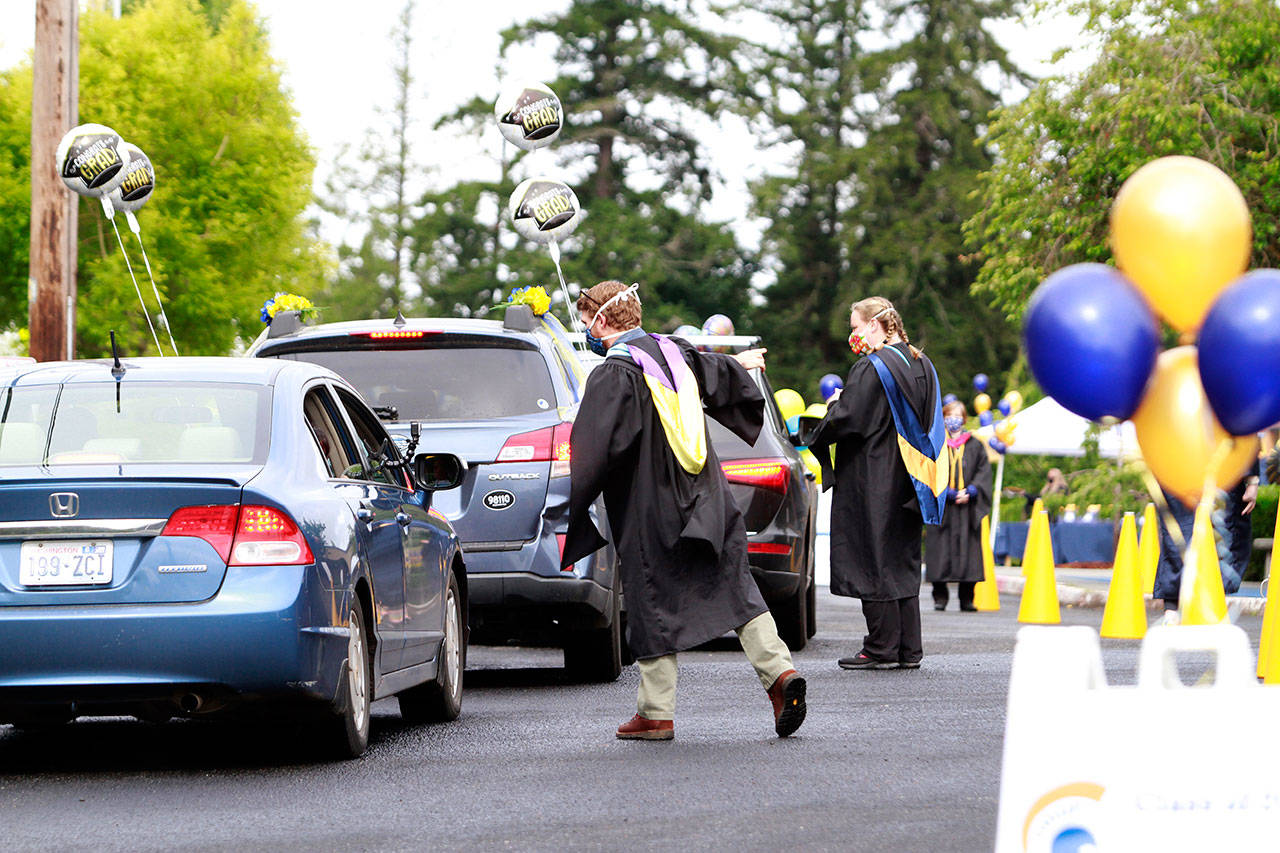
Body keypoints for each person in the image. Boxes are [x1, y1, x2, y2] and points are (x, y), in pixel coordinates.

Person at [561, 280, 807, 740]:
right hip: (707, 494)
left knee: (651, 595)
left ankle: (656, 713)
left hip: (650, 504)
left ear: (603, 319)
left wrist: (569, 499)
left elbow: (594, 449)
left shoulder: (614, 374)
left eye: (586, 318)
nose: (586, 328)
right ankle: (780, 676)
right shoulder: (673, 352)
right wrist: (741, 363)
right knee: (733, 584)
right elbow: (718, 372)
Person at [808, 296, 946, 670]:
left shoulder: (873, 367)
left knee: (875, 557)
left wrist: (829, 412)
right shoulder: (922, 364)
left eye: (855, 326)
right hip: (914, 478)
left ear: (873, 325)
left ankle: (881, 647)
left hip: (875, 477)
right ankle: (908, 649)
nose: (853, 334)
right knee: (901, 559)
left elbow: (850, 418)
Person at [1152, 472, 1258, 624]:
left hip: (1177, 464)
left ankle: (1173, 609)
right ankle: (1193, 607)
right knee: (1220, 533)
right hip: (1216, 465)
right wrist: (1252, 481)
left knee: (1179, 533)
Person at [924, 400, 992, 611]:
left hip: (968, 508)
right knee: (939, 551)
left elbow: (983, 471)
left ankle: (967, 599)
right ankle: (940, 597)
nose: (953, 419)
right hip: (943, 506)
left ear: (964, 419)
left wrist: (972, 491)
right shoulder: (936, 443)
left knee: (969, 552)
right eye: (949, 415)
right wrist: (947, 493)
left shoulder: (974, 444)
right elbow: (929, 470)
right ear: (943, 418)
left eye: (957, 415)